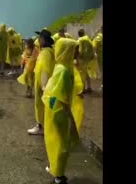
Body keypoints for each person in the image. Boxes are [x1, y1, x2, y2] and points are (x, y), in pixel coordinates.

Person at [43, 38, 81, 184]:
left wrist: (51, 106)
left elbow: (51, 93)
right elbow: (59, 97)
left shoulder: (62, 67)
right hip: (60, 111)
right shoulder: (63, 71)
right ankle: (59, 176)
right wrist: (69, 118)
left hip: (56, 108)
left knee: (58, 141)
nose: (77, 52)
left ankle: (56, 169)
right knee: (62, 145)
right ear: (67, 51)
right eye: (74, 49)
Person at [27, 29, 55, 136]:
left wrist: (44, 86)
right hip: (43, 83)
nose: (38, 40)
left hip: (43, 84)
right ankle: (43, 125)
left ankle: (40, 126)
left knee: (40, 105)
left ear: (43, 40)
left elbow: (45, 69)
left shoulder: (46, 53)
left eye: (40, 38)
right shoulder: (47, 51)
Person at [77, 29, 95, 93]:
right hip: (88, 58)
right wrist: (92, 55)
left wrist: (78, 56)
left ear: (78, 34)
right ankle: (89, 87)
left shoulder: (80, 40)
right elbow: (92, 47)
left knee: (82, 73)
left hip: (82, 59)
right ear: (84, 33)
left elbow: (80, 50)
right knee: (86, 73)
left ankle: (83, 89)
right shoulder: (88, 39)